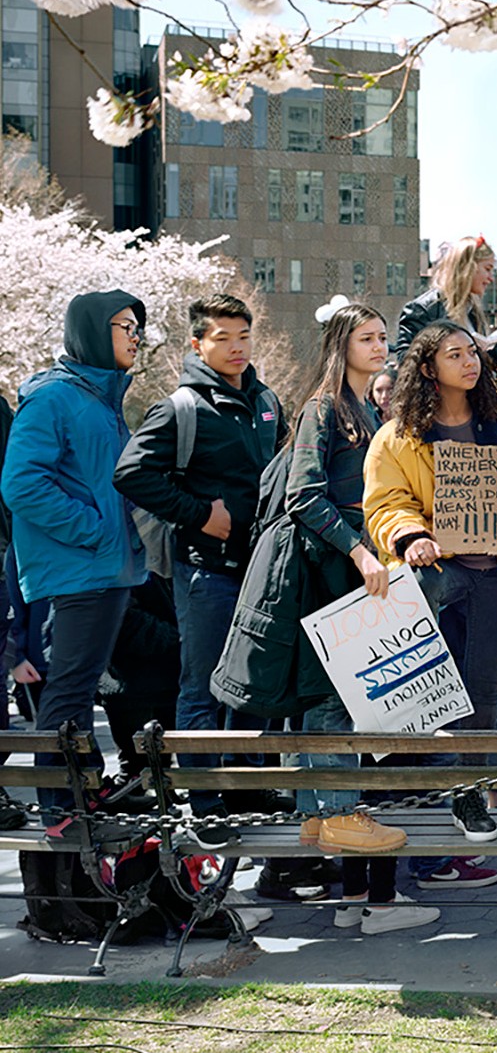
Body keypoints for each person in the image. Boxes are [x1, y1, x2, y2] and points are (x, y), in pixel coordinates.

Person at [366, 320, 497, 887]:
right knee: (427, 697)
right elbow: (384, 503)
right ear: (428, 368)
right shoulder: (398, 437)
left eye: (472, 352)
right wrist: (409, 537)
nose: (470, 362)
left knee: (484, 694)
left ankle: (470, 796)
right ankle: (420, 813)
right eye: (454, 354)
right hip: (436, 582)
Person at [281, 300, 440, 933]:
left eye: (383, 338)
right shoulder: (323, 410)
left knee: (340, 698)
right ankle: (337, 814)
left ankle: (331, 832)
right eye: (369, 338)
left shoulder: (372, 412)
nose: (380, 347)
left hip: (371, 574)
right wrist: (359, 551)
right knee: (338, 702)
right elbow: (304, 497)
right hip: (337, 575)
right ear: (342, 345)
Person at [114, 294, 286, 847]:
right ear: (198, 344)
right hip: (204, 572)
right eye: (222, 338)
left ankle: (245, 788)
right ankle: (206, 802)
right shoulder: (180, 407)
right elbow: (132, 474)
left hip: (261, 569)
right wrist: (200, 516)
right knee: (203, 686)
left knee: (253, 684)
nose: (236, 348)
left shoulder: (266, 401)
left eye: (243, 337)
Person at [1, 291, 147, 837]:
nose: (135, 336)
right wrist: (93, 529)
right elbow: (21, 484)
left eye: (138, 327)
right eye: (124, 326)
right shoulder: (54, 398)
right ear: (90, 331)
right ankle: (63, 818)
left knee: (79, 689)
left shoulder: (100, 399)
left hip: (104, 568)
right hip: (75, 571)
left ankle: (77, 806)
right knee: (67, 691)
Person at [395, 236, 497, 369]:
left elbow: (479, 368)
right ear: (468, 268)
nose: (491, 278)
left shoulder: (472, 311)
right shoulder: (423, 309)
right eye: (487, 269)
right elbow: (406, 363)